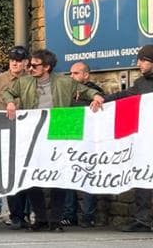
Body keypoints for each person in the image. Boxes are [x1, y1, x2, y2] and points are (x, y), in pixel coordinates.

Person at [3, 49, 104, 232]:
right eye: (31, 65)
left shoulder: (65, 82)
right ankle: (41, 218)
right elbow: (8, 92)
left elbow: (87, 90)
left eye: (35, 65)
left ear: (47, 67)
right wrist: (10, 102)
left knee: (60, 176)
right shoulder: (24, 81)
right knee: (32, 175)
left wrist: (97, 97)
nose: (30, 68)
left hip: (61, 126)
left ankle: (56, 220)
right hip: (34, 130)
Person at [105, 45, 153, 232]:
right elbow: (123, 96)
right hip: (145, 139)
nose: (138, 63)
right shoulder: (141, 83)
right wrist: (102, 99)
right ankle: (142, 219)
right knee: (142, 178)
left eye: (143, 60)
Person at [0, 45, 29, 225]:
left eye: (18, 61)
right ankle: (16, 215)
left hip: (27, 133)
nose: (14, 64)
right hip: (4, 134)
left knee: (27, 175)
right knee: (10, 175)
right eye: (12, 60)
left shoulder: (32, 80)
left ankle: (27, 213)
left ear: (26, 62)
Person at [60, 61, 104, 228]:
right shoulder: (66, 90)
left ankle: (88, 216)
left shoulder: (97, 92)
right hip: (69, 138)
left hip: (88, 141)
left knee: (88, 178)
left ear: (86, 75)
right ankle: (69, 214)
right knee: (68, 178)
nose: (72, 77)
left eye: (76, 73)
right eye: (70, 73)